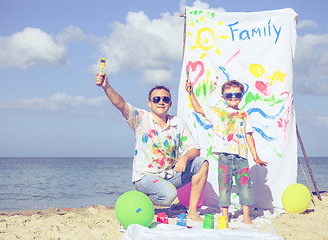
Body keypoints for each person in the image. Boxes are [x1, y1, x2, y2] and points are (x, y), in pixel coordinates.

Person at [96, 72, 209, 222]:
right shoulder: (141, 118)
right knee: (169, 195)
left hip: (169, 175)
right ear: (149, 103)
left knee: (201, 164)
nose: (161, 102)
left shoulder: (177, 123)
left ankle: (193, 212)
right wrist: (106, 86)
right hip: (145, 176)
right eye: (156, 99)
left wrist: (185, 157)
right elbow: (121, 104)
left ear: (170, 103)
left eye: (165, 99)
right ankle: (143, 199)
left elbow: (195, 148)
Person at [185, 78, 267, 224]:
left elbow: (249, 136)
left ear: (242, 96)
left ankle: (247, 217)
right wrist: (191, 93)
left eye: (237, 95)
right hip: (224, 157)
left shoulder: (245, 115)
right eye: (229, 95)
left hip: (241, 157)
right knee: (224, 186)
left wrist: (256, 157)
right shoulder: (217, 112)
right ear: (223, 97)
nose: (233, 98)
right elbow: (198, 109)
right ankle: (224, 216)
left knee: (245, 187)